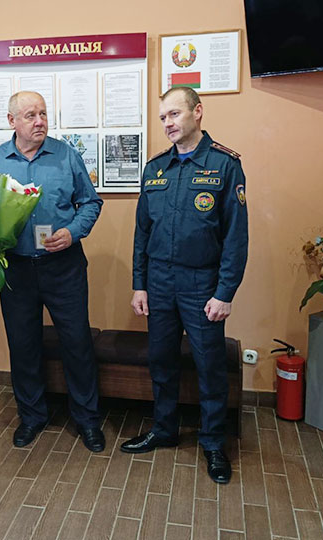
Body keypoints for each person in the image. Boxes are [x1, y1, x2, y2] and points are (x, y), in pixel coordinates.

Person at [121, 87, 248, 485]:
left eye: (174, 114)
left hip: (201, 283)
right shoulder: (155, 168)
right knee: (161, 360)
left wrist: (225, 292)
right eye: (163, 117)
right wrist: (139, 284)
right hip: (159, 282)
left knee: (210, 366)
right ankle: (164, 429)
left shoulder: (225, 165)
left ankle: (213, 442)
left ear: (198, 112)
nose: (168, 123)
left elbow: (236, 237)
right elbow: (142, 233)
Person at [0, 91, 105, 452]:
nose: (40, 121)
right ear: (11, 121)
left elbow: (91, 202)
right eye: (30, 115)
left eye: (43, 113)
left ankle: (87, 419)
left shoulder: (66, 155)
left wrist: (72, 232)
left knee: (77, 343)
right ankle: (31, 416)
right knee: (23, 345)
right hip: (16, 269)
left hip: (63, 267)